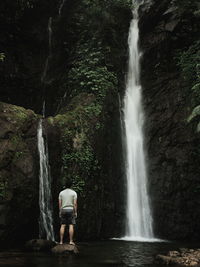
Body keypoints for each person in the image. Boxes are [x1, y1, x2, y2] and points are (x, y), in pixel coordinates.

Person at [58, 180, 77, 245]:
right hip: (71, 209)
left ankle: (61, 241)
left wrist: (60, 211)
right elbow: (75, 204)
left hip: (63, 209)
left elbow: (60, 203)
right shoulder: (74, 193)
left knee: (63, 225)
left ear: (65, 185)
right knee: (71, 225)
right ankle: (71, 241)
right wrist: (75, 212)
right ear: (71, 185)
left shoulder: (61, 193)